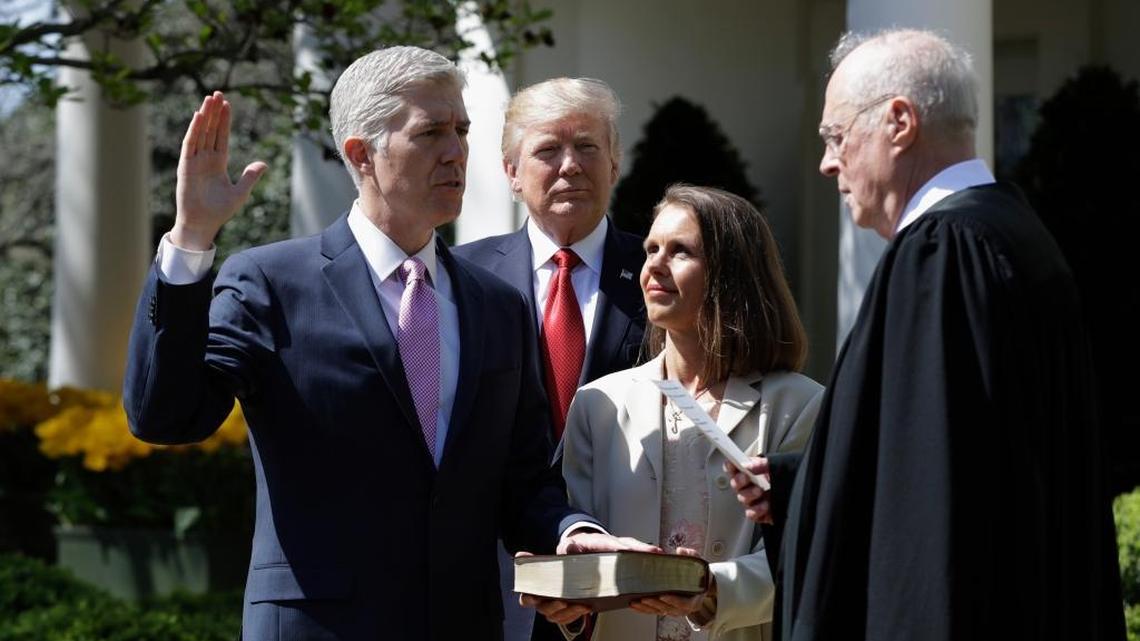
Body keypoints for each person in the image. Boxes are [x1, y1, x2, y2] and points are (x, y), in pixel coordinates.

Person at [122, 46, 654, 641]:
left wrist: (570, 534)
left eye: (461, 130)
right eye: (430, 132)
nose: (456, 152)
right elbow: (166, 416)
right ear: (361, 154)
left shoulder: (497, 307)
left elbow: (522, 478)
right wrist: (192, 237)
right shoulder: (272, 283)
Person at [728, 29, 1126, 640]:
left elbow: (930, 509)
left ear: (899, 122)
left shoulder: (943, 255)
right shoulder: (1012, 228)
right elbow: (976, 458)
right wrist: (797, 482)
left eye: (836, 137)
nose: (827, 162)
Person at [545, 184, 823, 641]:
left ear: (730, 274)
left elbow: (809, 553)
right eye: (651, 248)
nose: (653, 264)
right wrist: (567, 595)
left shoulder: (800, 406)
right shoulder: (598, 404)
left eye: (680, 252)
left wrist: (712, 589)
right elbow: (582, 541)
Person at [453, 77, 647, 641]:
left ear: (615, 162)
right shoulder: (459, 280)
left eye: (588, 147)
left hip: (630, 577)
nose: (570, 166)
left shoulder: (664, 275)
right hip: (495, 579)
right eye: (547, 150)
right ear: (512, 173)